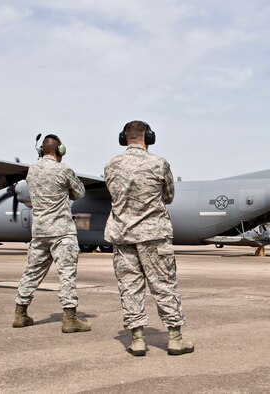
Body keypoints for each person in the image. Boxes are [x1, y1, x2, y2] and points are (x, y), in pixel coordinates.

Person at [104, 120, 194, 357]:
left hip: (123, 236)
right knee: (164, 285)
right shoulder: (159, 163)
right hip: (154, 234)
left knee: (130, 287)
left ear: (124, 138)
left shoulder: (111, 165)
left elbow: (113, 195)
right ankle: (175, 339)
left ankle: (137, 340)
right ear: (149, 137)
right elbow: (169, 195)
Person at [13, 134, 90, 333]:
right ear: (60, 151)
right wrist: (67, 192)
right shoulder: (64, 170)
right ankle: (70, 319)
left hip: (39, 231)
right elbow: (80, 192)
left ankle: (20, 314)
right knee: (67, 274)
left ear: (41, 151)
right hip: (62, 232)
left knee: (32, 273)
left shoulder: (32, 171)